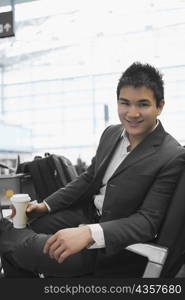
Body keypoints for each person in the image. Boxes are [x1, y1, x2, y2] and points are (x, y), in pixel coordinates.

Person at [1, 62, 185, 278]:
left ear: (159, 106)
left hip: (114, 246)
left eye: (142, 104)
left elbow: (147, 222)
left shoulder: (171, 154)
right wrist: (45, 205)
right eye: (125, 103)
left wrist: (89, 233)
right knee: (26, 226)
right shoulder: (112, 133)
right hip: (87, 215)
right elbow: (88, 179)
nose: (132, 113)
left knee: (20, 242)